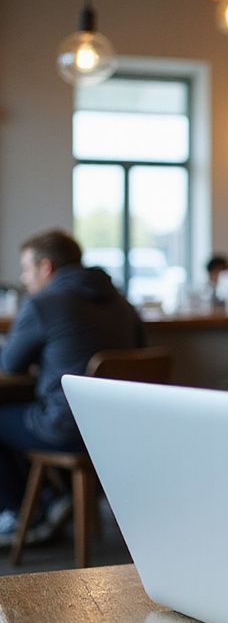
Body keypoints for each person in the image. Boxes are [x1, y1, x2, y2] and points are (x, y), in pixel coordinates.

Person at [0, 230, 144, 543]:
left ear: (46, 267)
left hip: (68, 429)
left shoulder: (43, 303)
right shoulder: (122, 302)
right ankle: (54, 497)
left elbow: (10, 365)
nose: (24, 278)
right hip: (119, 428)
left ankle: (24, 512)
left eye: (26, 269)